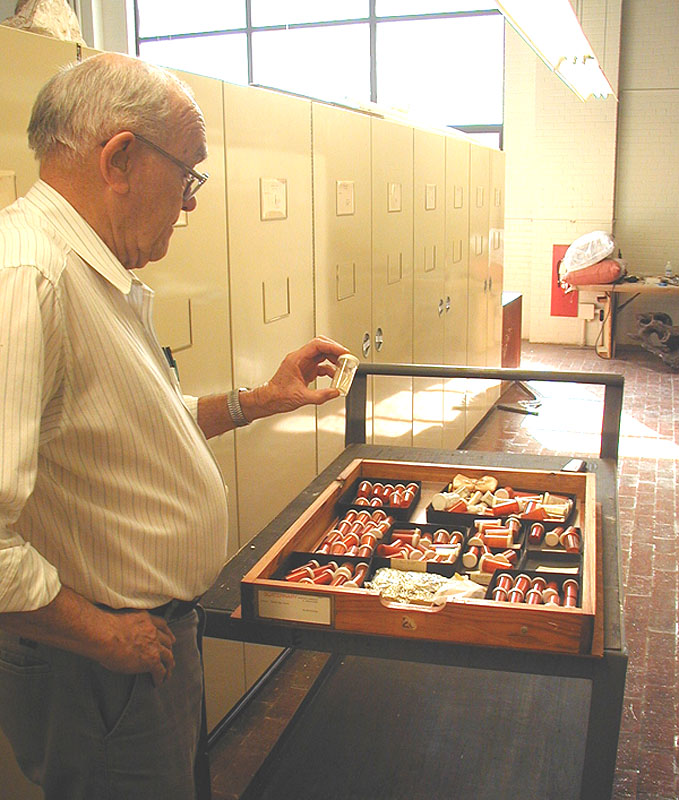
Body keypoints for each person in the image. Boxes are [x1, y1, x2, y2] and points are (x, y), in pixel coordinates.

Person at [0, 52, 348, 800]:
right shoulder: (29, 279)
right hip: (97, 663)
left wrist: (260, 399)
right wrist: (100, 633)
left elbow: (133, 432)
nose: (191, 203)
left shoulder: (93, 273)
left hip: (142, 644)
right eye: (188, 174)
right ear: (120, 157)